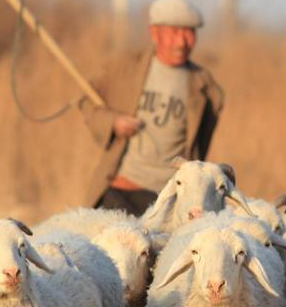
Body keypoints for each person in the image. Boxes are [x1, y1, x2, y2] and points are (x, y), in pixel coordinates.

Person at [79, 0, 224, 215]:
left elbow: (200, 148)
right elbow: (87, 101)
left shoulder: (205, 88)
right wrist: (113, 122)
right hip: (121, 190)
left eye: (189, 33)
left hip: (168, 201)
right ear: (155, 33)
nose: (182, 41)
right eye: (174, 32)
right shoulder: (126, 68)